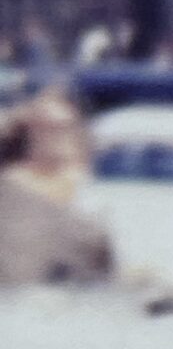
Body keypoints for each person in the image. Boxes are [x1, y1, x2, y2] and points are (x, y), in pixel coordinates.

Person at [0, 90, 108, 287]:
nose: (54, 137)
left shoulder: (93, 189)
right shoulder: (13, 188)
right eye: (45, 128)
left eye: (64, 127)